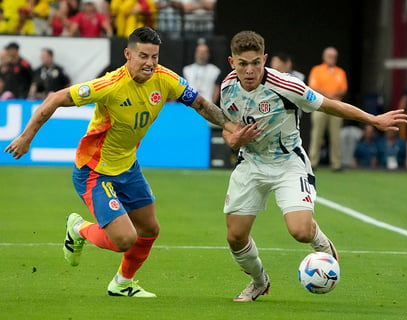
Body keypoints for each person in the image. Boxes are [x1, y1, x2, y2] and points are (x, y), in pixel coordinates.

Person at [4, 27, 256, 298]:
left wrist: (231, 127)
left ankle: (122, 283)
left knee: (150, 229)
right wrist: (26, 137)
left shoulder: (165, 79)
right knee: (125, 239)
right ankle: (78, 228)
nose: (149, 63)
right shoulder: (109, 85)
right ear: (128, 54)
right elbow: (55, 99)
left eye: (155, 56)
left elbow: (202, 105)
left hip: (128, 167)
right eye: (143, 56)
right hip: (94, 171)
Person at [219, 31, 407, 302]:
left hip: (288, 164)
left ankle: (319, 241)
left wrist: (373, 120)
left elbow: (329, 105)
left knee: (300, 231)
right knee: (235, 237)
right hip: (251, 164)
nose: (250, 70)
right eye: (242, 63)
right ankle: (259, 281)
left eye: (256, 63)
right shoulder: (227, 88)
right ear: (231, 62)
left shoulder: (287, 86)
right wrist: (234, 139)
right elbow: (228, 127)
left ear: (265, 60)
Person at [308, 46, 348, 171]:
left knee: (335, 135)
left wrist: (333, 94)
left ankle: (336, 163)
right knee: (317, 134)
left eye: (334, 57)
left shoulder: (340, 72)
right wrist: (328, 94)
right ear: (324, 57)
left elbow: (344, 89)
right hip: (319, 105)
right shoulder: (317, 70)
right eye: (330, 56)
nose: (332, 59)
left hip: (336, 106)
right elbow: (313, 86)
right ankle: (313, 162)